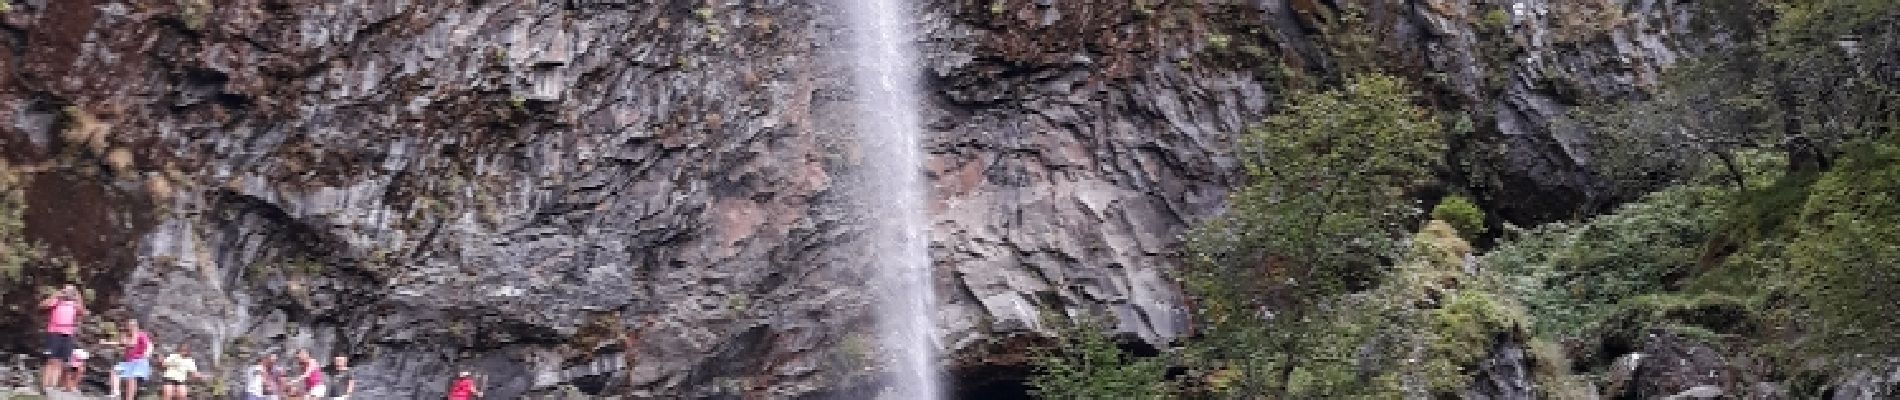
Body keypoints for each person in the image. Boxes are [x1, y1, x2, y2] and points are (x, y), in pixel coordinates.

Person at [40, 284, 85, 392]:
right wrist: (57, 294)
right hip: (54, 332)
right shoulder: (57, 301)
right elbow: (43, 305)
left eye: (71, 291)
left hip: (67, 334)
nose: (68, 293)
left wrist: (78, 296)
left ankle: (52, 387)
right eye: (67, 290)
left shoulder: (74, 304)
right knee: (51, 360)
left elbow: (82, 312)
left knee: (60, 361)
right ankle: (45, 386)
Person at [107, 319, 153, 400]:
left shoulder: (141, 335)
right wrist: (107, 343)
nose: (130, 327)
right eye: (129, 325)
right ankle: (116, 393)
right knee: (115, 371)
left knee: (131, 379)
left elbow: (149, 345)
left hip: (139, 361)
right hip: (129, 361)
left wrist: (147, 353)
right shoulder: (127, 336)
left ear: (136, 326)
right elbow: (121, 344)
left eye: (133, 325)